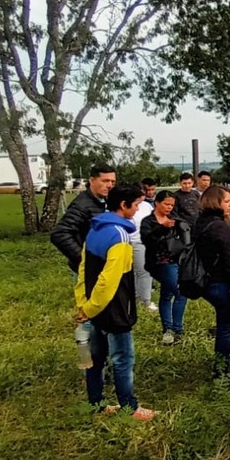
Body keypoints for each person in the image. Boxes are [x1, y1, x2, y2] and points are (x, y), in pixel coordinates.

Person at [74, 184, 157, 421]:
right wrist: (91, 307)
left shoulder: (95, 228)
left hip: (94, 307)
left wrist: (84, 305)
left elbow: (83, 268)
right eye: (137, 205)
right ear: (124, 205)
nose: (139, 209)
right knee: (122, 359)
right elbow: (108, 282)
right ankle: (130, 408)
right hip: (114, 310)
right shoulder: (120, 236)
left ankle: (96, 404)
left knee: (95, 359)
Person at [193, 186, 230, 377]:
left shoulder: (201, 222)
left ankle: (221, 364)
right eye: (227, 201)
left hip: (205, 281)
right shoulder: (219, 227)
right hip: (219, 282)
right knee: (226, 326)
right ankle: (222, 368)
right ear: (215, 202)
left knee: (223, 323)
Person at [141, 191, 190, 346]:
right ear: (157, 203)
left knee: (167, 294)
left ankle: (167, 328)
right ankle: (176, 329)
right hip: (159, 263)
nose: (169, 208)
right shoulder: (148, 221)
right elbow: (147, 239)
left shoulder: (174, 219)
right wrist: (162, 228)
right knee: (181, 292)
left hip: (176, 260)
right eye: (166, 204)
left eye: (171, 205)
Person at [51, 164, 116, 273]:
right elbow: (60, 234)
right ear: (92, 180)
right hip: (88, 269)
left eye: (112, 182)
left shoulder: (105, 201)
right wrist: (83, 259)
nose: (109, 185)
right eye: (105, 181)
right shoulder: (82, 205)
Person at [130, 180, 157, 313]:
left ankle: (140, 298)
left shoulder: (146, 205)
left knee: (142, 273)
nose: (143, 195)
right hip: (135, 241)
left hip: (146, 241)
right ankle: (145, 300)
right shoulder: (129, 206)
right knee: (143, 273)